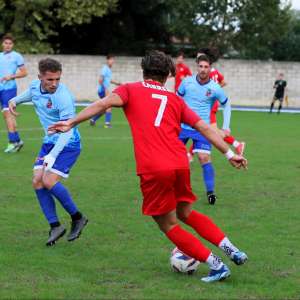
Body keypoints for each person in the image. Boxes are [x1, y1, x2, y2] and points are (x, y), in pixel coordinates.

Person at [49, 50, 248, 283]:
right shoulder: (175, 99)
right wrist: (230, 153)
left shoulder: (130, 89)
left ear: (143, 71)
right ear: (168, 76)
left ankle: (217, 265)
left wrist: (71, 122)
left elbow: (103, 104)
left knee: (167, 223)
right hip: (180, 162)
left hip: (155, 167)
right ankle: (232, 249)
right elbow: (204, 128)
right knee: (186, 212)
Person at [8, 58, 88, 246]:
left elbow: (67, 131)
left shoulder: (63, 97)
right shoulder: (36, 86)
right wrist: (15, 100)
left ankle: (77, 217)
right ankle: (55, 226)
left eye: (57, 79)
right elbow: (31, 93)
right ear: (40, 77)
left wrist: (53, 155)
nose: (54, 84)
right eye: (49, 80)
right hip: (49, 142)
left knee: (48, 180)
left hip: (68, 144)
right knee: (37, 181)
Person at [178, 54, 232, 205]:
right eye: (200, 66)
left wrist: (226, 126)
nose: (203, 69)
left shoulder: (215, 88)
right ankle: (173, 189)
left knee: (203, 158)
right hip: (182, 127)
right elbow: (176, 99)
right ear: (197, 66)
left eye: (206, 67)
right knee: (174, 158)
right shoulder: (186, 83)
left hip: (202, 129)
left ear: (210, 68)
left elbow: (226, 104)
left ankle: (210, 193)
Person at [0, 33, 27, 153]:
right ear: (2, 44)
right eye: (6, 43)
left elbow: (24, 72)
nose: (8, 45)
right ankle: (17, 141)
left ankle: (12, 143)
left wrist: (11, 76)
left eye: (10, 43)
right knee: (7, 115)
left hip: (9, 89)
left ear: (13, 45)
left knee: (7, 114)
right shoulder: (0, 56)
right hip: (0, 89)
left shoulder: (17, 56)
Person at [90, 54, 121, 128]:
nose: (112, 61)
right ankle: (107, 124)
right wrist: (105, 89)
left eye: (113, 60)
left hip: (104, 90)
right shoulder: (105, 68)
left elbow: (108, 80)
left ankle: (93, 119)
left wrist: (117, 83)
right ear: (107, 60)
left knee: (104, 108)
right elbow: (100, 80)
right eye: (111, 59)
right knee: (109, 105)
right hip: (103, 90)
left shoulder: (108, 69)